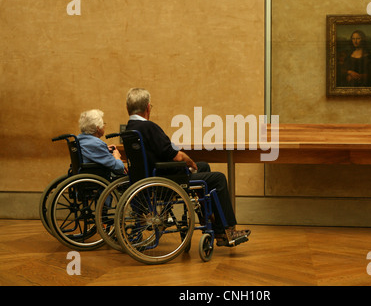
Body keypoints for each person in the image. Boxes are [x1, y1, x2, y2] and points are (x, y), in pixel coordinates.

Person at [125, 87, 250, 247]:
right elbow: (177, 156)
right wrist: (190, 162)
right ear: (148, 107)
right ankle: (227, 230)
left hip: (150, 178)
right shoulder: (148, 127)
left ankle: (210, 221)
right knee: (218, 179)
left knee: (204, 167)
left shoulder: (131, 128)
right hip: (167, 180)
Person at [77, 109, 126, 175]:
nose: (104, 126)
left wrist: (104, 149)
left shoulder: (79, 139)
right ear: (98, 128)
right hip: (97, 176)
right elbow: (119, 168)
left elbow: (91, 152)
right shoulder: (96, 144)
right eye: (103, 123)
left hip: (83, 174)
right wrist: (117, 156)